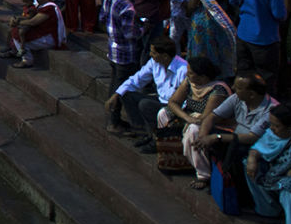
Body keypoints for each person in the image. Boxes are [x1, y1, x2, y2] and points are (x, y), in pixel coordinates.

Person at [200, 74, 279, 204]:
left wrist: (216, 137)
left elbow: (251, 137)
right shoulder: (237, 98)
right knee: (208, 137)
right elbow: (212, 117)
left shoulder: (271, 110)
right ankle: (219, 180)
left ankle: (238, 193)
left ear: (252, 94)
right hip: (236, 139)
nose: (232, 88)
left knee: (234, 147)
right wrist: (203, 136)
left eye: (238, 87)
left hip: (257, 146)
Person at [106, 37, 189, 152]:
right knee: (126, 94)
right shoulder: (154, 63)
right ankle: (145, 134)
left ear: (164, 56)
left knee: (145, 104)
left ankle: (157, 140)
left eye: (154, 53)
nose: (150, 55)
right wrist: (116, 94)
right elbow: (137, 79)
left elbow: (185, 100)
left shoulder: (183, 69)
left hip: (174, 107)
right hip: (160, 100)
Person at [172, 56, 232, 189]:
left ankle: (203, 175)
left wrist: (191, 120)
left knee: (193, 130)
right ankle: (173, 157)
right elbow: (173, 102)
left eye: (191, 72)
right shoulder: (189, 82)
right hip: (191, 117)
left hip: (215, 126)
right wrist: (186, 117)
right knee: (164, 114)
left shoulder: (218, 89)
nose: (187, 74)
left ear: (203, 77)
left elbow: (207, 118)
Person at [101, 0, 147, 134]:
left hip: (113, 49)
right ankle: (114, 122)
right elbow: (131, 34)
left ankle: (114, 120)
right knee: (121, 89)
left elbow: (102, 18)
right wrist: (143, 28)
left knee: (115, 84)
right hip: (126, 53)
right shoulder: (128, 7)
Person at [7, 0, 65, 68]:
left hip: (49, 37)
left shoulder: (49, 8)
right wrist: (16, 19)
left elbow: (33, 22)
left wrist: (17, 22)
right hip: (42, 33)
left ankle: (27, 60)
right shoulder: (40, 6)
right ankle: (17, 51)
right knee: (16, 31)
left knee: (18, 33)